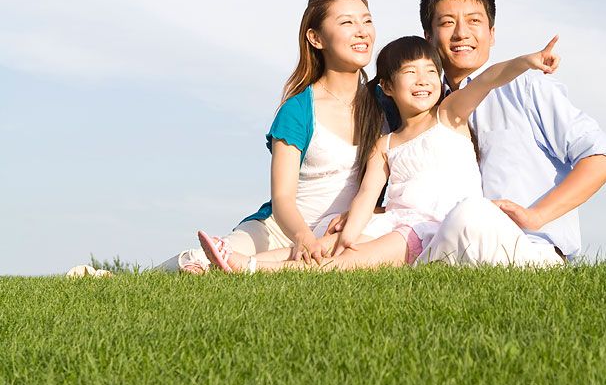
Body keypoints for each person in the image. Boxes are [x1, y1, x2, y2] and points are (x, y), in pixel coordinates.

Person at [201, 31, 561, 273]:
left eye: (430, 71)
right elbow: (365, 197)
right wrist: (347, 235)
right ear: (387, 86)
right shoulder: (385, 143)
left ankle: (254, 269)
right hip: (396, 222)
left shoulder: (450, 116)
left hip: (430, 228)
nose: (423, 80)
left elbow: (488, 78)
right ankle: (244, 259)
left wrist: (527, 61)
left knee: (358, 258)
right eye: (410, 72)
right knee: (334, 244)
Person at [155, 0, 390, 273]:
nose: (362, 31)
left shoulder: (385, 104)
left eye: (367, 20)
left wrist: (363, 215)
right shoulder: (298, 110)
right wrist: (303, 238)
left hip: (347, 229)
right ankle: (116, 278)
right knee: (206, 261)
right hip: (280, 231)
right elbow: (282, 198)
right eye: (347, 22)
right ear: (316, 38)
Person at [415, 0, 606, 267]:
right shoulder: (425, 106)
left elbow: (604, 157)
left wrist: (537, 215)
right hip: (453, 246)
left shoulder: (526, 88)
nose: (461, 33)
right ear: (429, 36)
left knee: (470, 213)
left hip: (527, 249)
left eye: (474, 21)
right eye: (447, 23)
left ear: (492, 33)